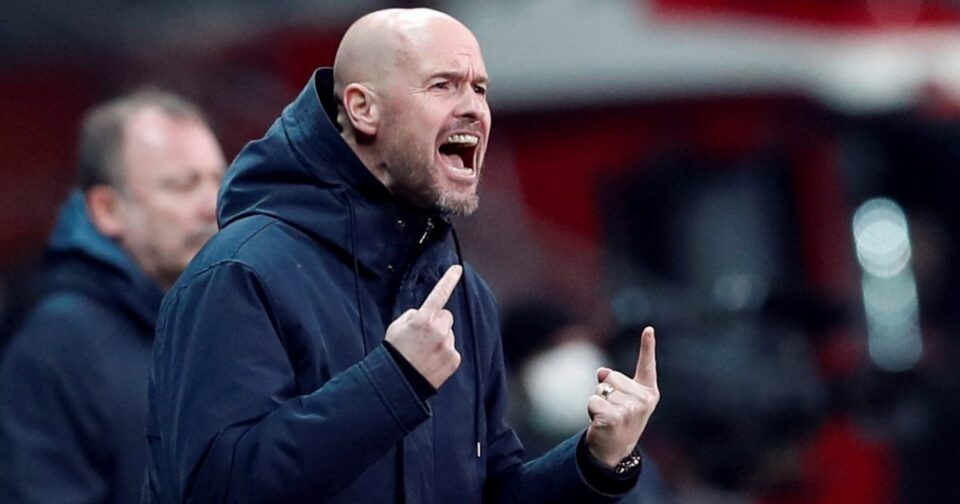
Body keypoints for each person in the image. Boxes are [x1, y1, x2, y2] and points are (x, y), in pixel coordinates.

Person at [144, 8, 659, 503]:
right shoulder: (239, 271)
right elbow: (218, 488)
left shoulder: (462, 292)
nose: (473, 107)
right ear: (363, 109)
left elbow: (491, 490)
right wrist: (394, 381)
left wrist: (594, 462)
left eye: (479, 88)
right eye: (443, 85)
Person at [0, 89, 226, 504]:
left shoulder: (228, 321)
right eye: (183, 185)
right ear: (107, 210)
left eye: (219, 180)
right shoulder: (53, 350)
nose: (212, 206)